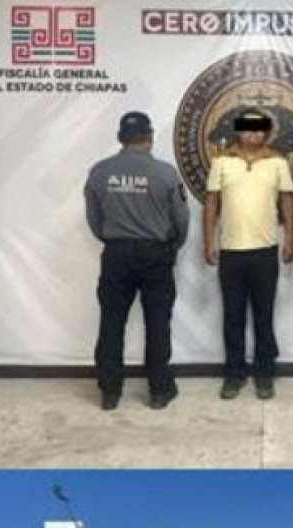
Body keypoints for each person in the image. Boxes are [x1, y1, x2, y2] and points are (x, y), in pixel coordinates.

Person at [85, 111, 190, 411]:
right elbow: (181, 220)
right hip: (156, 254)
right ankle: (159, 390)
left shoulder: (99, 172)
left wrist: (113, 239)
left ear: (121, 138)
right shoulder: (166, 174)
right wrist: (172, 246)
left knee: (111, 321)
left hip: (116, 254)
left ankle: (110, 392)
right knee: (157, 322)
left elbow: (94, 219)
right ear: (151, 137)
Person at [204, 108, 293, 401]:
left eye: (259, 128)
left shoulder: (278, 163)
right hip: (231, 253)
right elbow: (211, 203)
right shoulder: (221, 162)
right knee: (232, 317)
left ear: (266, 131)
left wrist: (290, 239)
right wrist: (208, 242)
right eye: (247, 127)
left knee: (263, 316)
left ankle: (264, 374)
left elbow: (287, 202)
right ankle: (234, 374)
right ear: (238, 130)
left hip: (265, 252)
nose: (253, 132)